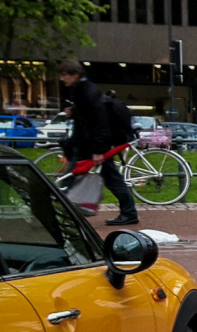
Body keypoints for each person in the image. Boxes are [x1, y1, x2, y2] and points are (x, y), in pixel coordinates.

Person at [55, 60, 138, 225]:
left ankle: (129, 212)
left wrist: (99, 150)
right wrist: (75, 113)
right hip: (87, 145)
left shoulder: (87, 92)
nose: (62, 79)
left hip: (91, 146)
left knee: (110, 179)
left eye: (64, 75)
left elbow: (100, 122)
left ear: (75, 75)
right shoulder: (83, 90)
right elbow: (90, 118)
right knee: (75, 177)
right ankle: (66, 211)